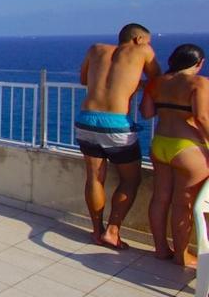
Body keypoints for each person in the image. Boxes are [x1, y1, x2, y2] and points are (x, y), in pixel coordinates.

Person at [75, 23, 160, 249]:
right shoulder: (143, 51)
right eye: (148, 40)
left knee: (94, 177)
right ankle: (112, 231)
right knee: (131, 180)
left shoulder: (95, 49)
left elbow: (83, 80)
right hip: (116, 124)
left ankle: (96, 231)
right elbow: (158, 79)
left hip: (86, 120)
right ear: (139, 39)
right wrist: (138, 84)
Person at [140, 44, 209, 268]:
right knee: (184, 205)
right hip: (188, 147)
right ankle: (181, 255)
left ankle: (161, 249)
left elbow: (147, 112)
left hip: (160, 143)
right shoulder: (200, 83)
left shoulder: (157, 82)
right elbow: (202, 118)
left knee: (160, 198)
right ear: (199, 63)